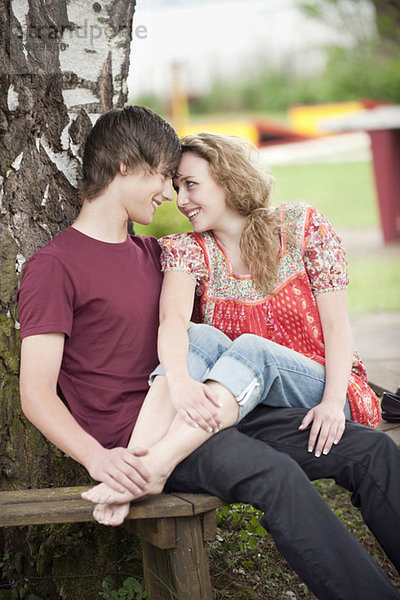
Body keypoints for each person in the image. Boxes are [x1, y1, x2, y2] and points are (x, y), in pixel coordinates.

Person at [17, 107, 400, 600]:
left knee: (369, 452)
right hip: (144, 438)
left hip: (214, 407)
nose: (168, 195)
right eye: (162, 176)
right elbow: (36, 394)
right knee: (273, 474)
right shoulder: (55, 267)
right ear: (124, 167)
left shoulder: (156, 254)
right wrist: (99, 459)